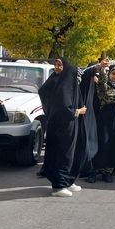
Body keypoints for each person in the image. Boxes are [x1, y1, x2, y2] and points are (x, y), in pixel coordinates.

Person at [38, 58, 87, 197]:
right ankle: (58, 185)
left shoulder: (64, 81)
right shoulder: (61, 83)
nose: (57, 67)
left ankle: (67, 181)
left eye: (60, 64)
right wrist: (78, 111)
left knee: (70, 153)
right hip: (62, 125)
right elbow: (63, 106)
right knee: (62, 153)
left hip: (68, 124)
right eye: (56, 65)